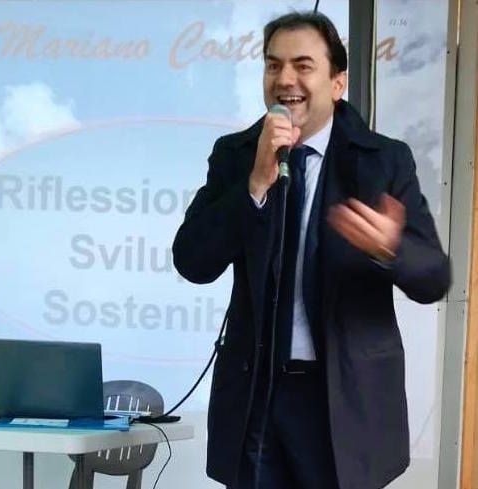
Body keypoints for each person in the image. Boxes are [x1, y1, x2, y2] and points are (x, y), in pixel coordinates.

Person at [172, 10, 450, 489]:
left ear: (337, 83)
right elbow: (192, 260)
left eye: (303, 66)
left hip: (343, 401)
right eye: (273, 65)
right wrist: (254, 185)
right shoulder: (237, 155)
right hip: (258, 398)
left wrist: (390, 247)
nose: (285, 80)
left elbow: (434, 278)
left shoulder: (383, 160)